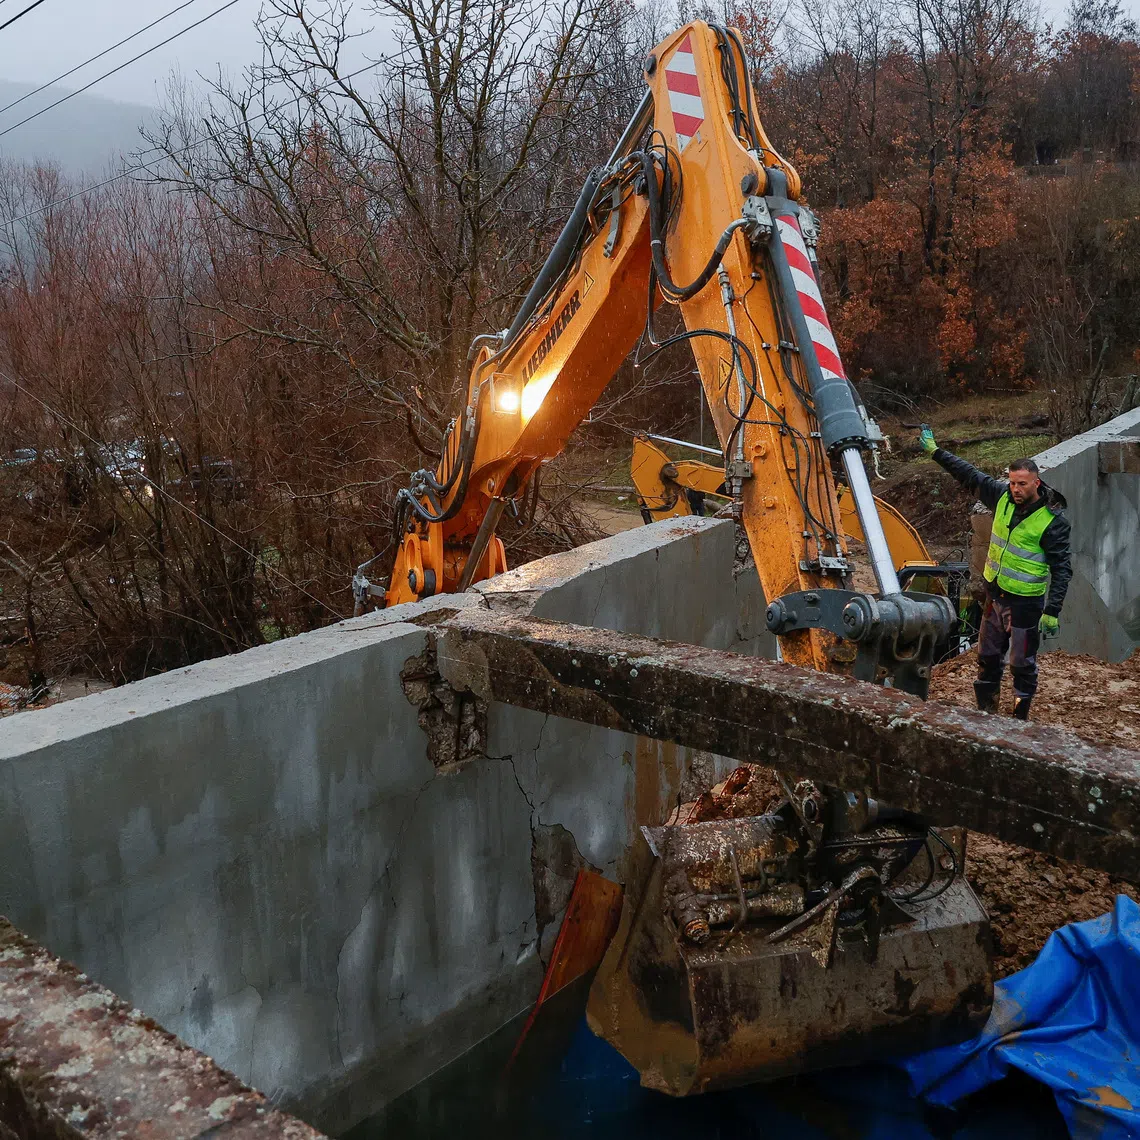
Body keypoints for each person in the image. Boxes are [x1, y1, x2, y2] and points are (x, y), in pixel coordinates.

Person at [919, 426, 1072, 720]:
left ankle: (1019, 720)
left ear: (1036, 483)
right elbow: (967, 474)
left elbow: (1062, 569)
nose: (1016, 489)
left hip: (1025, 604)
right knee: (987, 657)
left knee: (1021, 664)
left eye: (1023, 484)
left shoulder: (1052, 522)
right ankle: (986, 713)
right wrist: (936, 452)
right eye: (1013, 482)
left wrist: (1052, 610)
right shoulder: (1000, 496)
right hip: (995, 594)